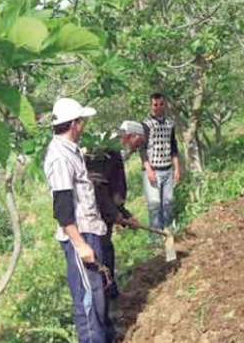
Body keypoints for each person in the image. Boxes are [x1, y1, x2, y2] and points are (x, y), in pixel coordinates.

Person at [43, 97, 115, 342]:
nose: (83, 126)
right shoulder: (61, 157)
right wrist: (80, 244)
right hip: (80, 236)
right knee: (88, 299)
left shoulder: (71, 152)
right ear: (74, 124)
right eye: (82, 121)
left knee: (98, 293)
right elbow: (62, 208)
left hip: (89, 230)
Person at [83, 121, 145, 299]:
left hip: (104, 213)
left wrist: (125, 214)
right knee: (102, 255)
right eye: (137, 143)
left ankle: (111, 295)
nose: (136, 149)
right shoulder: (106, 152)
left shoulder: (112, 152)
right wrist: (114, 214)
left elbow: (112, 191)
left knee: (107, 253)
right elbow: (96, 187)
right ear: (129, 137)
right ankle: (106, 301)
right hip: (94, 216)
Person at [139, 93, 181, 239]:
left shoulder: (170, 124)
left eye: (161, 104)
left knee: (168, 202)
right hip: (152, 170)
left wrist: (177, 168)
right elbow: (142, 148)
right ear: (151, 106)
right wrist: (148, 169)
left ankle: (168, 232)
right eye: (155, 105)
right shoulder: (145, 124)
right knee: (154, 204)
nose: (158, 107)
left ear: (165, 105)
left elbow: (173, 147)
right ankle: (156, 238)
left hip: (167, 169)